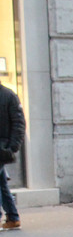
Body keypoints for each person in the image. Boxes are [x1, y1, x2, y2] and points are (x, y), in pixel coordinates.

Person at [0, 80, 25, 229]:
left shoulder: (8, 96)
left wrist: (12, 147)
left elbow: (18, 122)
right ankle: (13, 217)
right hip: (3, 147)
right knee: (2, 183)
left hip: (2, 148)